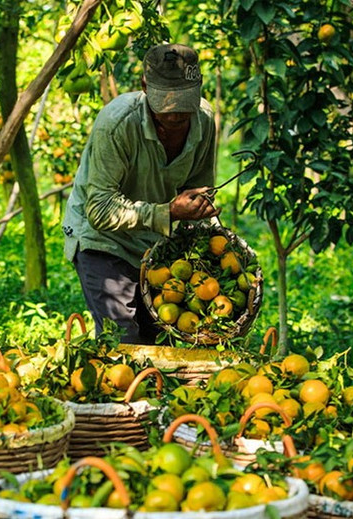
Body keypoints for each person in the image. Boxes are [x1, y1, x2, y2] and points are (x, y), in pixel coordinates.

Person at [62, 43, 219, 344]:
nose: (176, 115)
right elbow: (99, 210)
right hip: (105, 240)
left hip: (155, 244)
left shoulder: (204, 120)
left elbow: (198, 186)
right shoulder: (117, 123)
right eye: (166, 105)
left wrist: (202, 224)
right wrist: (168, 212)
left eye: (184, 103)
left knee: (161, 340)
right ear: (145, 87)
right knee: (125, 341)